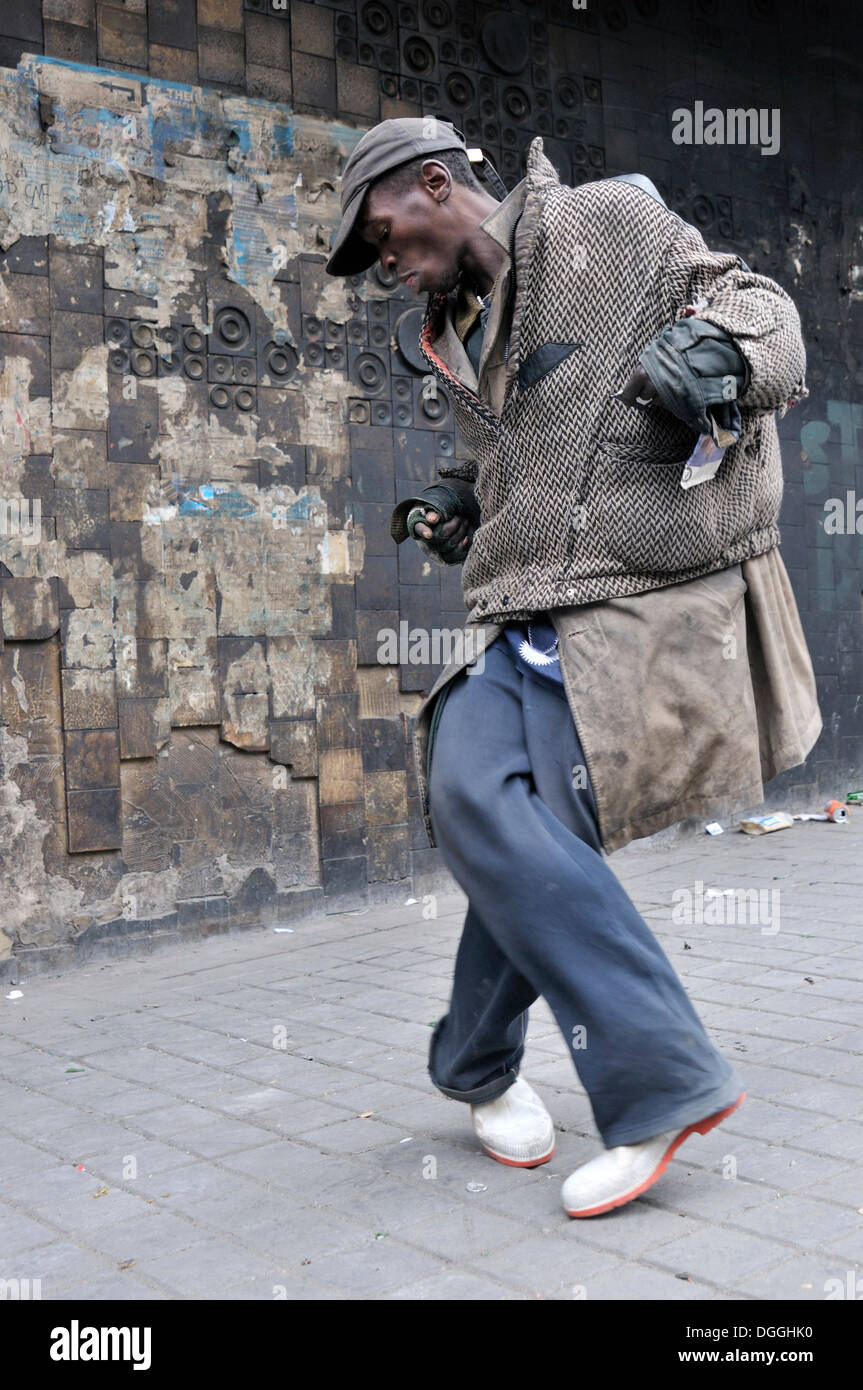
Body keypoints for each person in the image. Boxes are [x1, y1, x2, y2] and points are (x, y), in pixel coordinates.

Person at [326, 119, 821, 1218]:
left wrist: (724, 357)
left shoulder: (609, 223)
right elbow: (509, 453)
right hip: (526, 613)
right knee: (484, 802)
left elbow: (768, 316)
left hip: (640, 611)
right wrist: (461, 498)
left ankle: (649, 1089)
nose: (389, 266)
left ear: (436, 183)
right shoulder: (450, 327)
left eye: (386, 235)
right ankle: (477, 1066)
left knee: (507, 815)